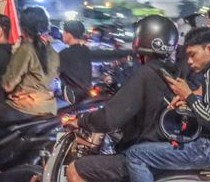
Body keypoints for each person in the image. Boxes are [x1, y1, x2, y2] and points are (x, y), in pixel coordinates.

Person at [125, 27, 210, 182]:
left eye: (193, 54)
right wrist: (190, 101)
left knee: (136, 154)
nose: (189, 61)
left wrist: (188, 95)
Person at [64, 15, 179, 182]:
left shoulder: (146, 73)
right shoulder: (172, 73)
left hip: (141, 155)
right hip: (162, 153)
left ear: (140, 41)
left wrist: (80, 121)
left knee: (76, 169)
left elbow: (110, 118)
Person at [0, 6, 60, 125]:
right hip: (49, 107)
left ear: (23, 28)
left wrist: (15, 54)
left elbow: (7, 85)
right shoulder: (53, 51)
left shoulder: (26, 49)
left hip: (24, 108)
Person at [59, 20, 92, 104]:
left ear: (69, 34)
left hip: (71, 98)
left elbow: (53, 72)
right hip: (87, 95)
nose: (62, 35)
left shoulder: (65, 54)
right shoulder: (86, 50)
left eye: (64, 32)